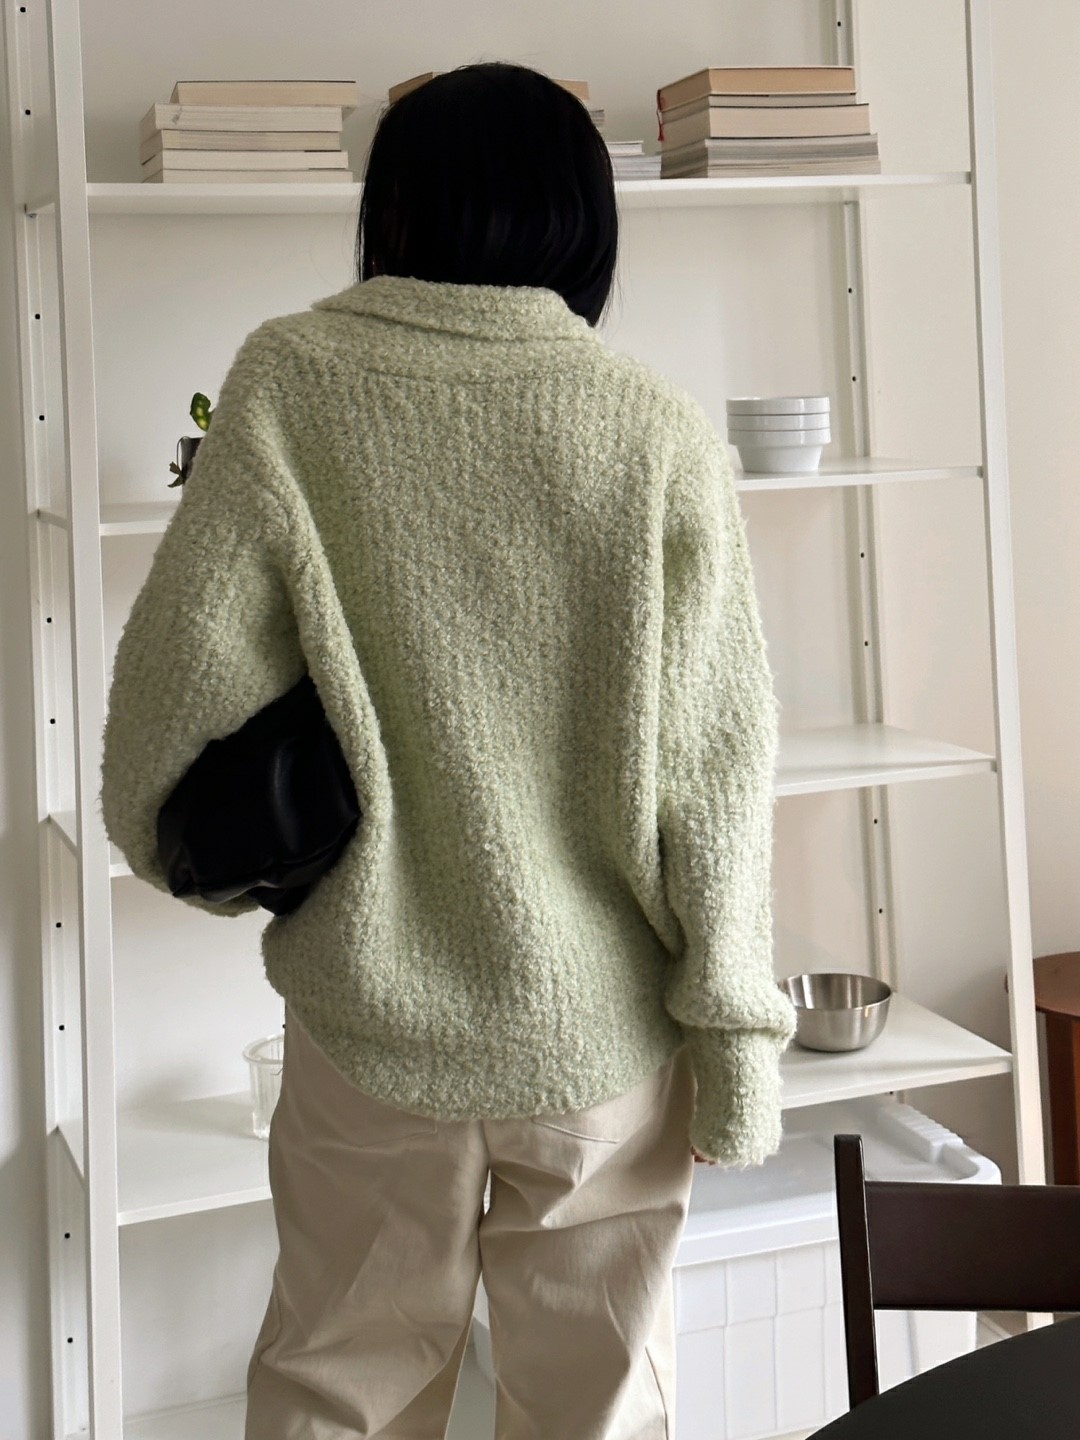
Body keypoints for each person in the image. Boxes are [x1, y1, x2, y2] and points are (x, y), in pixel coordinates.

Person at [99, 59, 796, 1440]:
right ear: (584, 220)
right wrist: (736, 1046)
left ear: (395, 208)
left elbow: (165, 724)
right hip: (601, 1036)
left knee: (337, 1393)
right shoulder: (652, 429)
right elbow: (715, 779)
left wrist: (188, 850)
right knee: (597, 1412)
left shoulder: (291, 385)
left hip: (370, 1024)